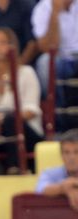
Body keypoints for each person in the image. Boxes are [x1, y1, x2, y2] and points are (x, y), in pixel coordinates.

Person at [0, 26, 41, 174]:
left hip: (25, 133)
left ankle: (15, 168)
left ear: (12, 46)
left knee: (11, 119)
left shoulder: (25, 73)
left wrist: (4, 119)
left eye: (2, 42)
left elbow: (31, 109)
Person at [32, 0, 78, 132]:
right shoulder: (43, 8)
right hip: (60, 59)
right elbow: (48, 47)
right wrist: (55, 13)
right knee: (46, 62)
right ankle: (60, 122)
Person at [35, 128, 78, 210]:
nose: (71, 157)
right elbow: (40, 189)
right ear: (61, 155)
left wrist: (73, 184)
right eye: (66, 152)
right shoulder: (49, 173)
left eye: (77, 152)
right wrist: (63, 188)